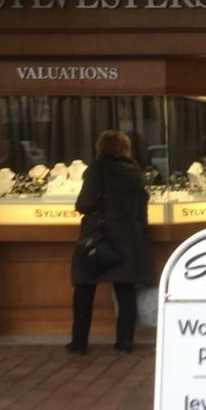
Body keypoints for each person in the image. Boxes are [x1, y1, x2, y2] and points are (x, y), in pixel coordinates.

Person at [67, 129, 155, 355]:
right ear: (125, 148)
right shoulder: (135, 172)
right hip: (127, 239)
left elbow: (83, 204)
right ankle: (124, 342)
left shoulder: (96, 170)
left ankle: (79, 342)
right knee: (125, 291)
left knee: (84, 289)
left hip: (98, 238)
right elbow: (141, 208)